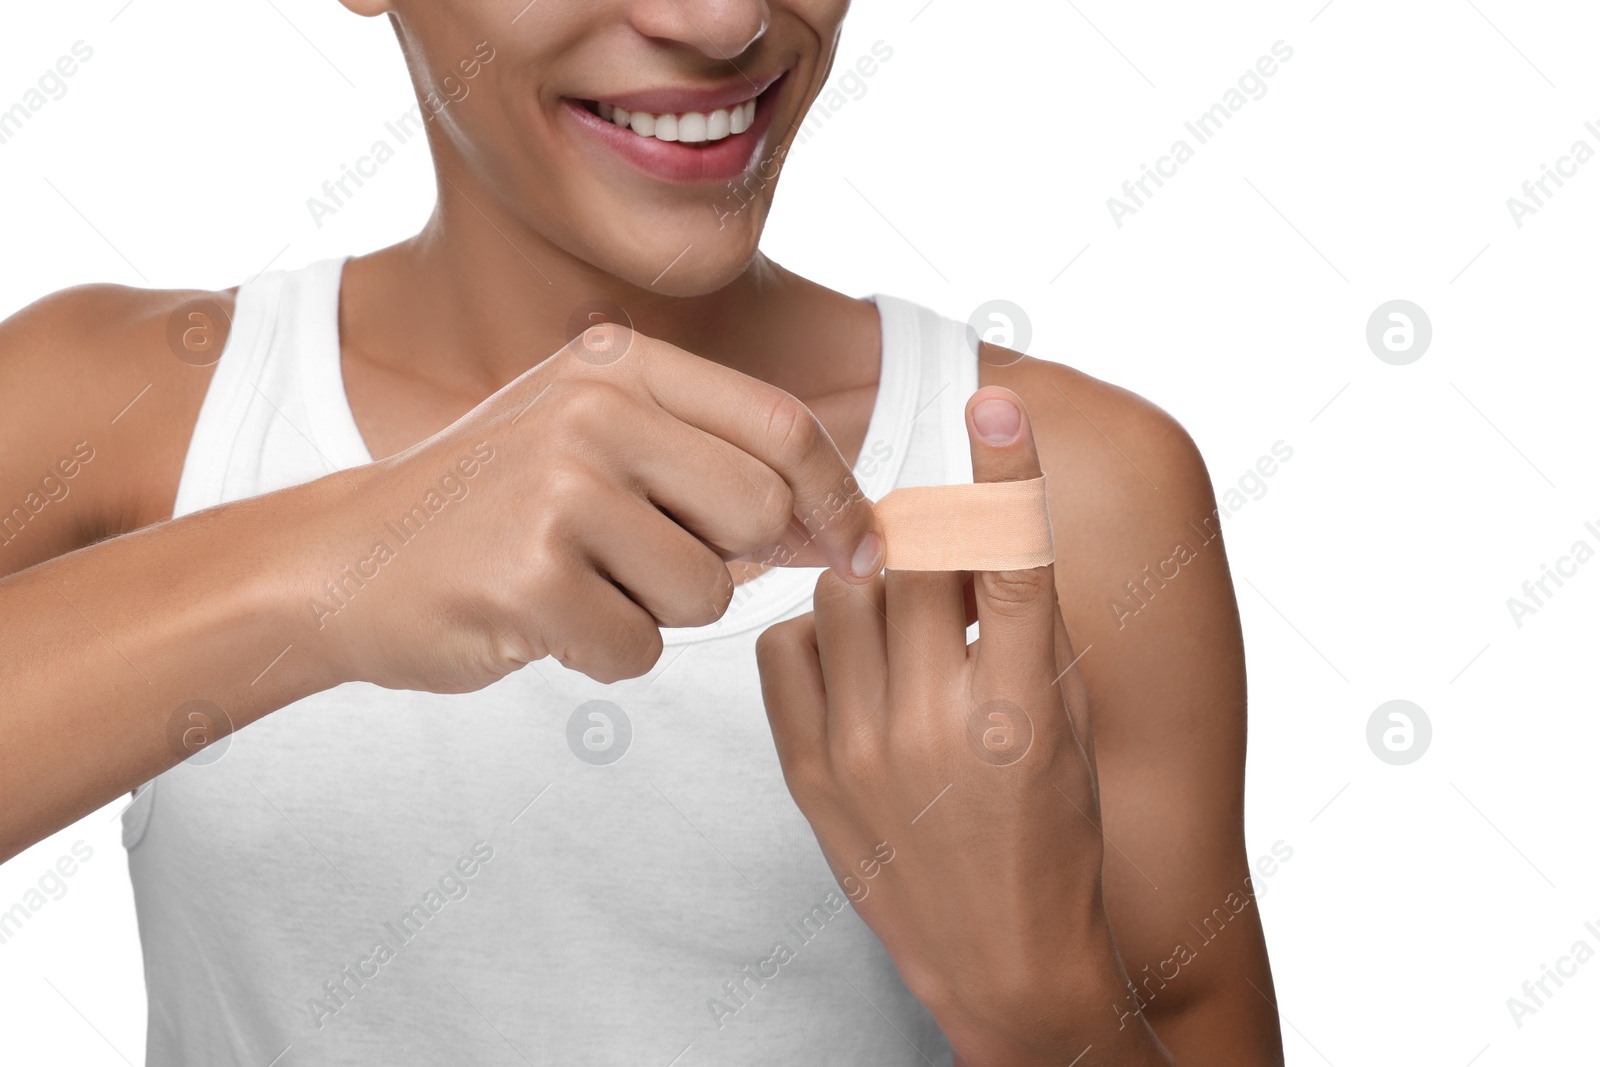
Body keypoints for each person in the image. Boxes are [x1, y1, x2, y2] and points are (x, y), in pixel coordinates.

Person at [0, 1, 1283, 1063]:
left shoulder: (1074, 491)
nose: (721, 21)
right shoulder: (104, 410)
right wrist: (330, 562)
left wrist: (1040, 1003)